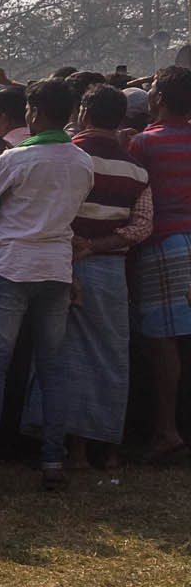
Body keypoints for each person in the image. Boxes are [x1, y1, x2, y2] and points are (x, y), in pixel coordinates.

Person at [0, 76, 94, 489]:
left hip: (13, 266)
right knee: (53, 368)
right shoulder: (80, 160)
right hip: (55, 269)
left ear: (33, 112)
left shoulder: (16, 159)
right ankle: (53, 461)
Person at [26, 84, 151, 466]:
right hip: (112, 270)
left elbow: (52, 211)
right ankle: (108, 448)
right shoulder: (136, 169)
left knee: (62, 355)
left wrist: (79, 245)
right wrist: (99, 246)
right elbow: (143, 226)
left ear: (82, 112)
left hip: (61, 264)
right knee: (111, 356)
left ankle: (71, 447)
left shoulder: (68, 157)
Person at [128, 64, 191, 460]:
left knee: (163, 343)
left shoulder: (143, 144)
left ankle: (166, 431)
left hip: (164, 244)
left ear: (160, 100)